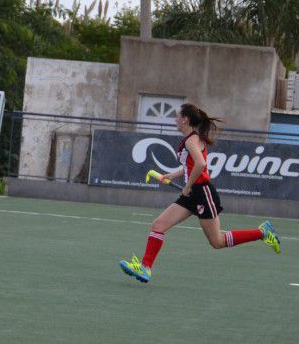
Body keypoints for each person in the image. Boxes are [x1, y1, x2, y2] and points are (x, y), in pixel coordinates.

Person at [120, 103, 281, 283]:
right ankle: (145, 268)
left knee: (217, 241)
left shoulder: (191, 140)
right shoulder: (191, 139)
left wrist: (188, 186)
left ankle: (263, 233)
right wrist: (171, 175)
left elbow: (201, 165)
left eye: (177, 116)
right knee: (158, 225)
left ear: (185, 119)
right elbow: (190, 166)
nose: (175, 119)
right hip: (192, 194)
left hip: (203, 193)